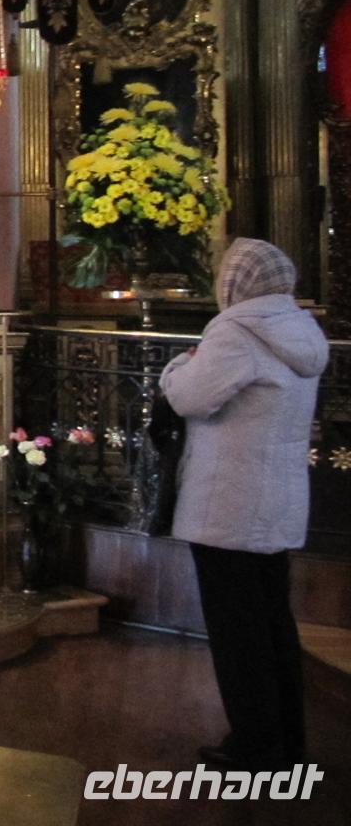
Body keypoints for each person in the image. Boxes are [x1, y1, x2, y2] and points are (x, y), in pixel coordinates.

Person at [159, 238, 327, 771]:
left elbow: (188, 397)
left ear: (235, 282)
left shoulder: (236, 331)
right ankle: (286, 739)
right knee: (273, 622)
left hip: (227, 505)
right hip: (275, 500)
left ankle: (254, 744)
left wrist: (175, 367)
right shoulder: (301, 329)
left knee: (237, 631)